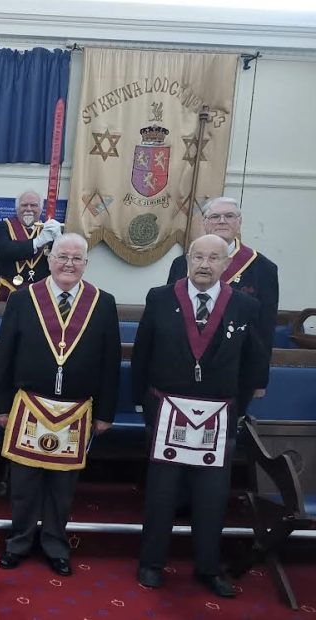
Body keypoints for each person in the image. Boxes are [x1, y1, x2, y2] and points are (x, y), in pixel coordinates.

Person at [134, 233, 267, 598]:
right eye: (198, 257)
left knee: (212, 496)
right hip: (167, 410)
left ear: (226, 265)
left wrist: (237, 408)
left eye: (213, 258)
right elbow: (142, 353)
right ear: (187, 260)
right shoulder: (160, 298)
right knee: (162, 493)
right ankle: (151, 563)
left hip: (218, 415)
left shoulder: (244, 307)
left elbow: (253, 365)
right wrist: (143, 405)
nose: (205, 264)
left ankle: (208, 568)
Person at [0, 232, 120, 577]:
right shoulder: (23, 299)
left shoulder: (102, 302)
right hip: (29, 406)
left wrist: (105, 412)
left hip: (76, 411)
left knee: (63, 489)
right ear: (49, 260)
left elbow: (110, 362)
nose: (69, 264)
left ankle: (55, 545)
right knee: (23, 485)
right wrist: (0, 406)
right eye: (63, 256)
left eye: (77, 258)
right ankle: (17, 542)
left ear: (86, 264)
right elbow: (4, 355)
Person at [166, 197, 278, 396]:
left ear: (239, 222)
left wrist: (259, 380)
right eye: (215, 216)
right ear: (204, 223)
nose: (222, 221)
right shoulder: (182, 264)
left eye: (229, 216)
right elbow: (168, 318)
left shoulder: (263, 268)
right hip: (181, 368)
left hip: (234, 372)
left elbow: (264, 329)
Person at [0, 190, 61, 302]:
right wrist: (37, 242)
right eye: (24, 205)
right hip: (6, 291)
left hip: (40, 293)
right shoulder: (3, 226)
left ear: (41, 209)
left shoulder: (49, 230)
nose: (29, 209)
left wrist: (59, 240)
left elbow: (60, 261)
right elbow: (3, 251)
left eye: (34, 205)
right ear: (17, 208)